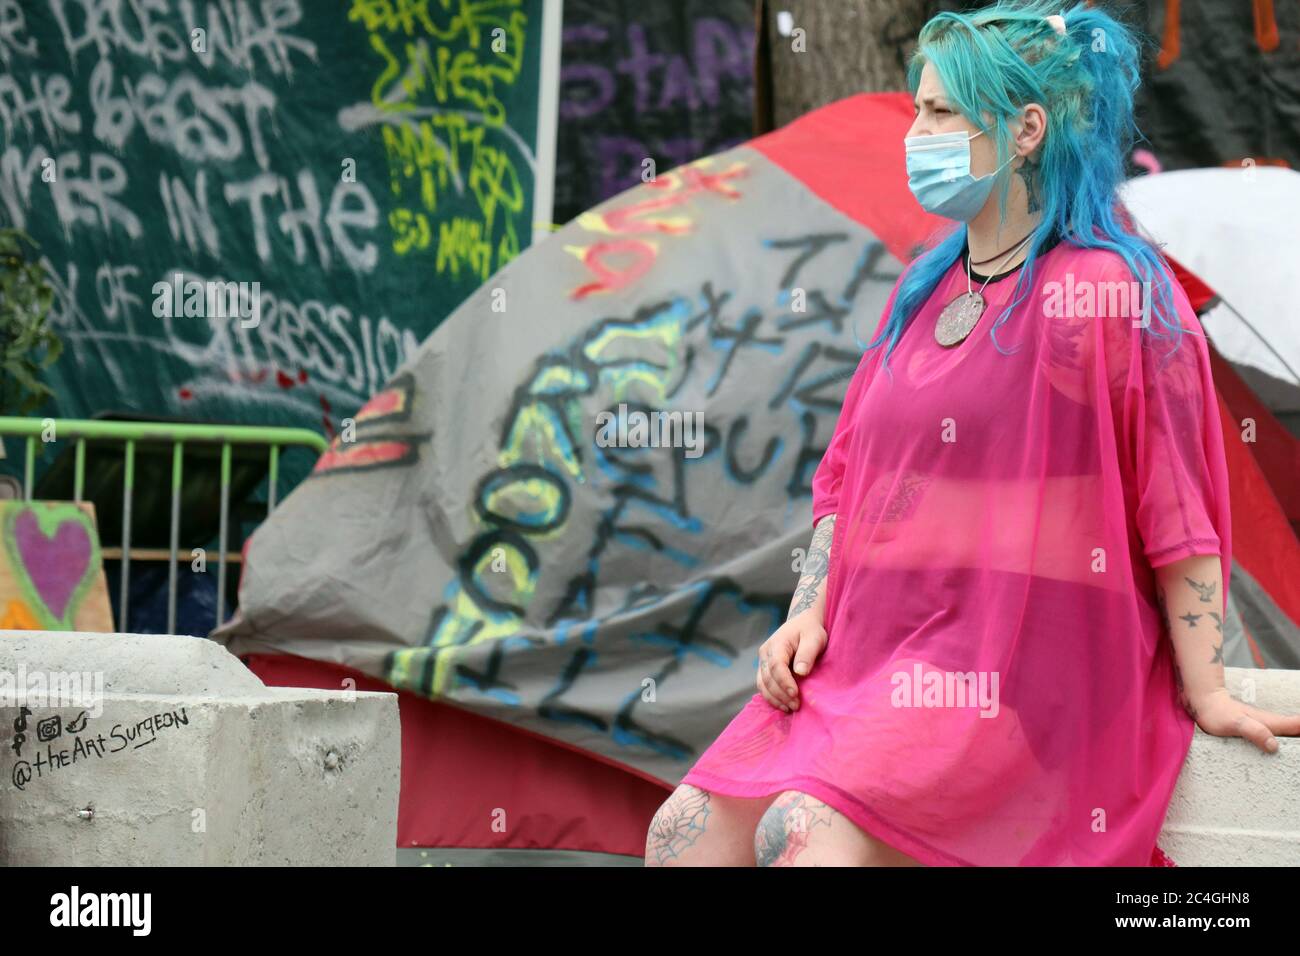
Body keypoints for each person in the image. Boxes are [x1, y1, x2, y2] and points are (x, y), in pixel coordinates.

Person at [645, 0, 1300, 867]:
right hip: (863, 654)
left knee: (799, 834)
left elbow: (1175, 506)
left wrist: (1207, 684)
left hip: (1008, 670)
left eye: (942, 111)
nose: (917, 130)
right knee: (678, 836)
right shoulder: (921, 289)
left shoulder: (1110, 292)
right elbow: (849, 481)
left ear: (1026, 128)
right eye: (919, 107)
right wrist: (805, 617)